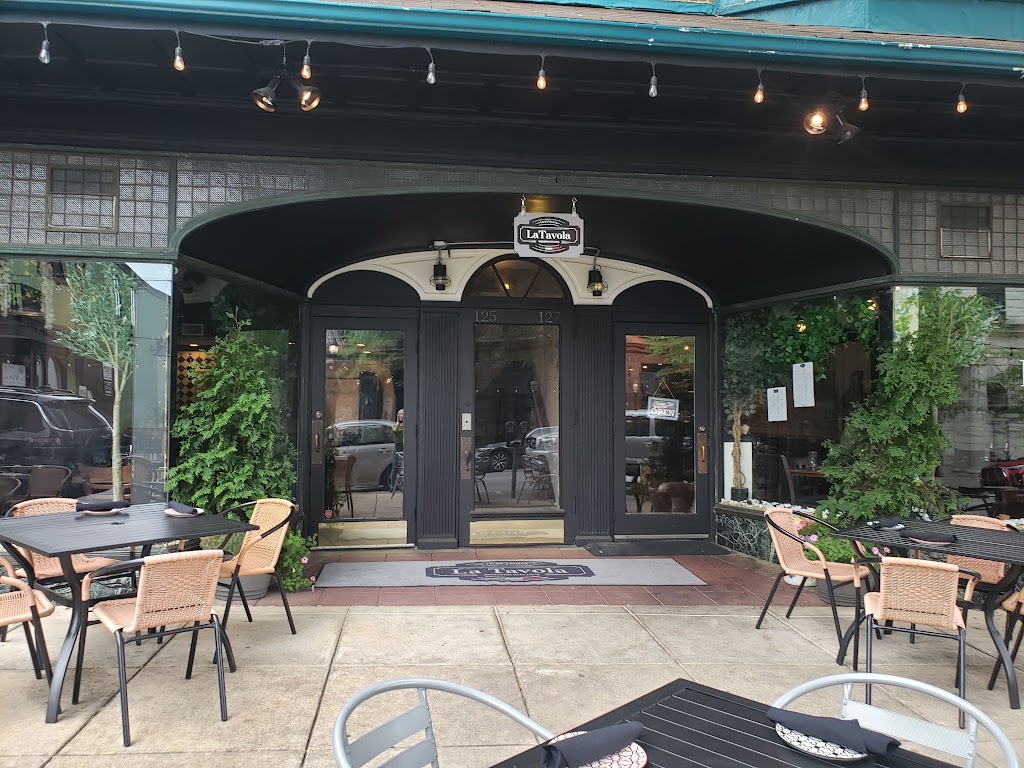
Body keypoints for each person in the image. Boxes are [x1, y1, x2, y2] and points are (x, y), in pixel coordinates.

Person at [389, 408, 405, 491]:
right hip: (398, 446)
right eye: (400, 414)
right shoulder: (395, 425)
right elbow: (395, 430)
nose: (401, 415)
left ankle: (403, 485)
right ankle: (392, 485)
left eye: (402, 413)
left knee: (404, 467)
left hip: (405, 446)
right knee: (395, 466)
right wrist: (399, 422)